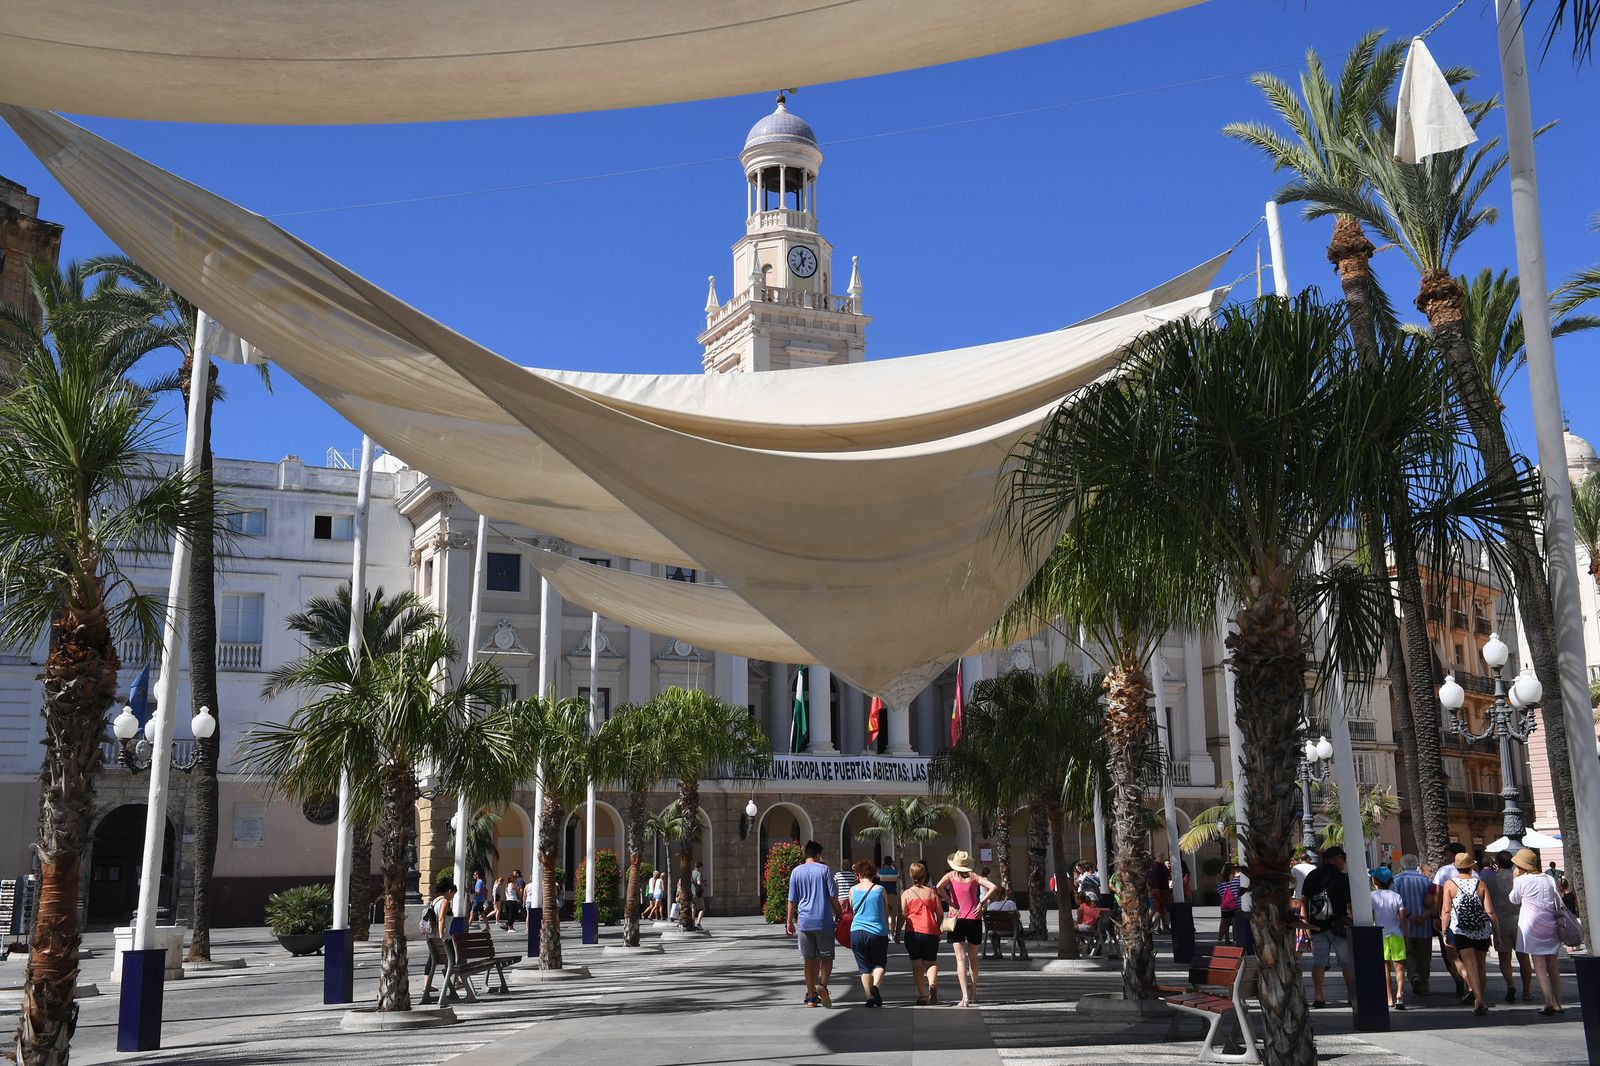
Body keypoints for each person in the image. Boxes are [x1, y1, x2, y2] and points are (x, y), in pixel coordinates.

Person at [1440, 852, 1498, 1016]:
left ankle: (1478, 999)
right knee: (1481, 966)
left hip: (1461, 930)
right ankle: (1480, 999)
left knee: (1470, 966)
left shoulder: (1450, 884)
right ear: (1472, 867)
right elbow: (1490, 911)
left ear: (1457, 867)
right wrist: (1497, 933)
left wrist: (1445, 931)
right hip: (1482, 930)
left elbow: (1446, 910)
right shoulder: (1480, 884)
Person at [936, 850, 996, 1008]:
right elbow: (993, 887)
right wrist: (981, 903)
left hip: (957, 919)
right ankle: (974, 992)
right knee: (973, 959)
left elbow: (938, 887)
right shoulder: (975, 877)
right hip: (974, 920)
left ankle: (965, 997)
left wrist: (950, 901)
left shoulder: (950, 876)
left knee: (960, 959)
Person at [1508, 847, 1564, 1015]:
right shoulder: (1548, 878)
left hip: (1532, 927)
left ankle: (1548, 1001)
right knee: (1553, 966)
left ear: (1521, 866)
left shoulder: (1521, 881)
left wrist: (1515, 881)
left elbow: (1513, 899)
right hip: (1551, 925)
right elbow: (1556, 898)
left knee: (1539, 965)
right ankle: (1559, 1003)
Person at [786, 840, 841, 1008]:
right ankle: (822, 986)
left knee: (808, 960)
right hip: (823, 921)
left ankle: (811, 998)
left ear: (805, 854)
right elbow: (832, 896)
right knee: (827, 956)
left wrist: (789, 921)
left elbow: (792, 899)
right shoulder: (824, 870)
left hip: (804, 922)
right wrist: (839, 914)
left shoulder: (796, 872)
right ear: (818, 855)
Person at [1301, 846, 1353, 1009]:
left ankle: (1318, 995)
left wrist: (1306, 925)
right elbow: (1349, 905)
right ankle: (1352, 996)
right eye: (1343, 859)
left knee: (1319, 962)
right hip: (1339, 926)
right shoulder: (1342, 878)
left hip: (1317, 926)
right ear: (1336, 858)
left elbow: (1303, 901)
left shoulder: (1312, 876)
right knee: (1346, 962)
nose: (1344, 863)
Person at [1482, 852, 1531, 1002]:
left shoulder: (1491, 879)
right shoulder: (1519, 878)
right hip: (1520, 922)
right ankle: (1527, 991)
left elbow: (1486, 901)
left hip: (1500, 923)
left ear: (1497, 862)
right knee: (1524, 958)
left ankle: (1510, 984)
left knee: (1504, 957)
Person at [1432, 842, 1471, 1001]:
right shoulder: (1474, 874)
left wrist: (1436, 915)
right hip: (1471, 921)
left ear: (1453, 855)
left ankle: (1461, 980)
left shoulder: (1444, 871)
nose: (1446, 857)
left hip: (1450, 920)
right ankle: (1470, 983)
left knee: (1451, 954)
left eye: (1447, 854)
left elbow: (1437, 894)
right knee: (1468, 955)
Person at [1392, 854, 1436, 996]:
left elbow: (1395, 903)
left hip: (1405, 926)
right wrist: (1424, 915)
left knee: (1408, 954)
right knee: (1424, 957)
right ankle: (1424, 983)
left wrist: (1409, 916)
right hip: (1424, 926)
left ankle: (1413, 976)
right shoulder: (1426, 880)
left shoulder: (1396, 880)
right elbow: (1432, 902)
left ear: (1402, 864)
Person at [901, 861, 944, 1004]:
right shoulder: (932, 893)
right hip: (930, 932)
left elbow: (903, 914)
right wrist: (936, 927)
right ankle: (932, 985)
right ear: (925, 875)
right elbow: (940, 914)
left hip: (912, 933)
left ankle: (922, 995)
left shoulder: (906, 894)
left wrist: (896, 932)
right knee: (931, 962)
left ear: (911, 875)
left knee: (917, 966)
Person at [849, 860, 891, 1007]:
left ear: (859, 874)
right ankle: (875, 987)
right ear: (873, 874)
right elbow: (886, 912)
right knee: (879, 963)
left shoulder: (853, 890)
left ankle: (869, 998)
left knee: (864, 967)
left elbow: (853, 909)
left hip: (857, 932)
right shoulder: (880, 889)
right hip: (877, 932)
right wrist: (888, 929)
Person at [1369, 866, 1408, 1011]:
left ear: (1376, 881)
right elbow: (1402, 918)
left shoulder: (1372, 896)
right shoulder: (1396, 896)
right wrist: (1407, 933)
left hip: (1381, 935)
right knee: (1399, 967)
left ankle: (1389, 997)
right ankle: (1400, 994)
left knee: (1385, 968)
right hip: (1397, 934)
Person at [878, 855, 902, 940]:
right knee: (893, 916)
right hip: (893, 895)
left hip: (883, 896)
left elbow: (878, 875)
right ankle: (892, 933)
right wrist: (894, 865)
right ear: (891, 862)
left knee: (885, 915)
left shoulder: (880, 872)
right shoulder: (895, 872)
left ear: (884, 862)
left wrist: (882, 865)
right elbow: (899, 874)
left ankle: (887, 933)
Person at [1217, 863, 1242, 945]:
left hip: (1225, 906)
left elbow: (1221, 893)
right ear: (1232, 870)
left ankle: (1223, 940)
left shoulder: (1220, 882)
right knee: (1235, 923)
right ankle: (1235, 940)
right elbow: (1239, 891)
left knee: (1224, 923)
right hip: (1236, 905)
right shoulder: (1237, 880)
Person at [1147, 857, 1172, 934]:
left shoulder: (1149, 868)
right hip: (1163, 890)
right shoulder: (1162, 866)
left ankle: (1154, 927)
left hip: (1154, 890)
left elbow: (1147, 881)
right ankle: (1165, 926)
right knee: (1166, 909)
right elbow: (1169, 876)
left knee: (1155, 909)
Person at [691, 861, 707, 926]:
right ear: (700, 867)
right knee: (702, 909)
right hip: (697, 894)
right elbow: (698, 882)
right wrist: (704, 883)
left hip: (691, 894)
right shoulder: (698, 873)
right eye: (701, 867)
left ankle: (692, 923)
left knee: (693, 909)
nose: (702, 869)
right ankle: (698, 923)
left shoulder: (691, 873)